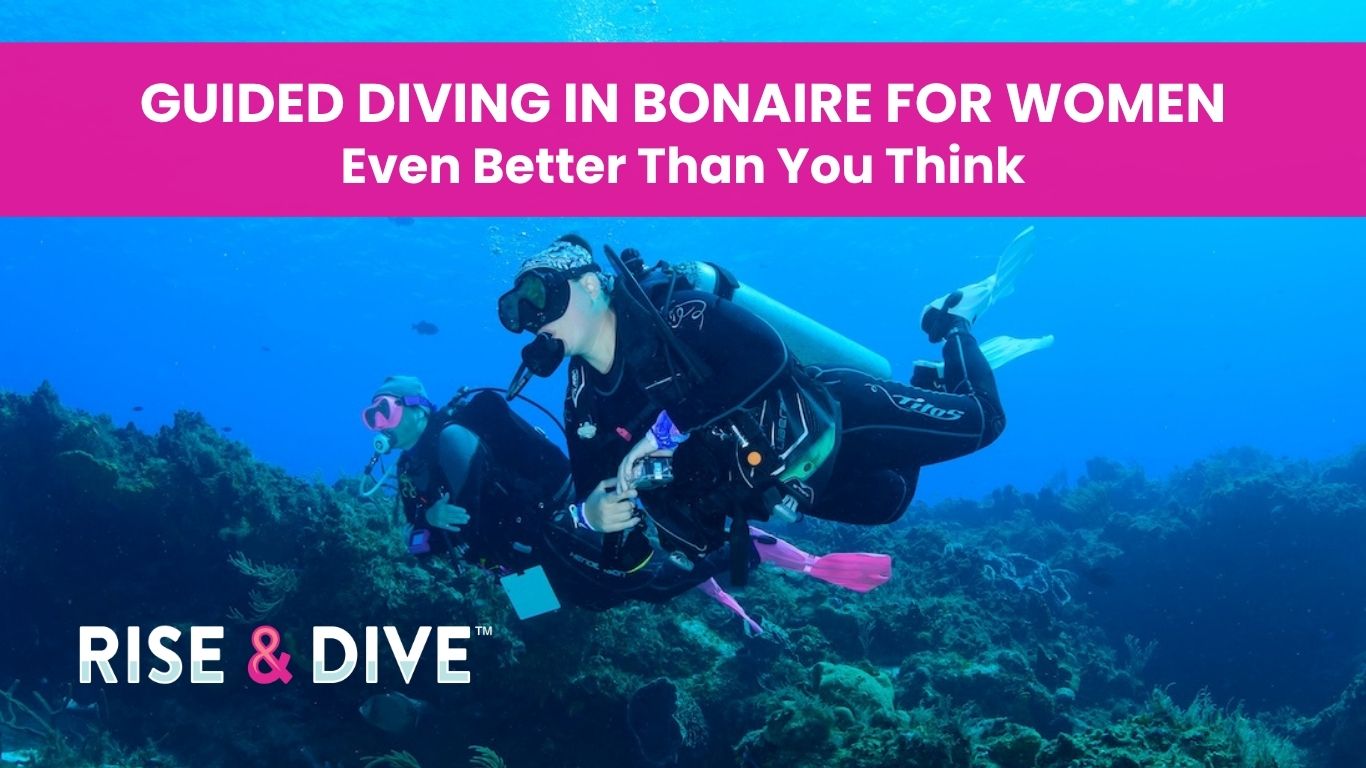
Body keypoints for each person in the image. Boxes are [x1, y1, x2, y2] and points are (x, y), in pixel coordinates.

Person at [496, 234, 1026, 574]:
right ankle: (925, 381)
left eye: (542, 298)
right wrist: (592, 515)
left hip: (834, 415)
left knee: (985, 420)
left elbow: (766, 357)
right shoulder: (584, 403)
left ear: (591, 285)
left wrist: (663, 433)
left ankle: (950, 321)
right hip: (787, 481)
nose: (535, 322)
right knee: (891, 502)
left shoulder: (675, 317)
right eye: (519, 313)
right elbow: (595, 489)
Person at [358, 376, 891, 623]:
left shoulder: (450, 436)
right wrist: (427, 522)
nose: (378, 424)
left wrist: (437, 523)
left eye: (385, 410)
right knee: (580, 606)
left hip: (551, 525)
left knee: (645, 585)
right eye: (371, 417)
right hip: (513, 562)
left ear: (417, 407)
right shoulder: (410, 470)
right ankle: (706, 560)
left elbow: (470, 509)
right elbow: (419, 541)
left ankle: (752, 548)